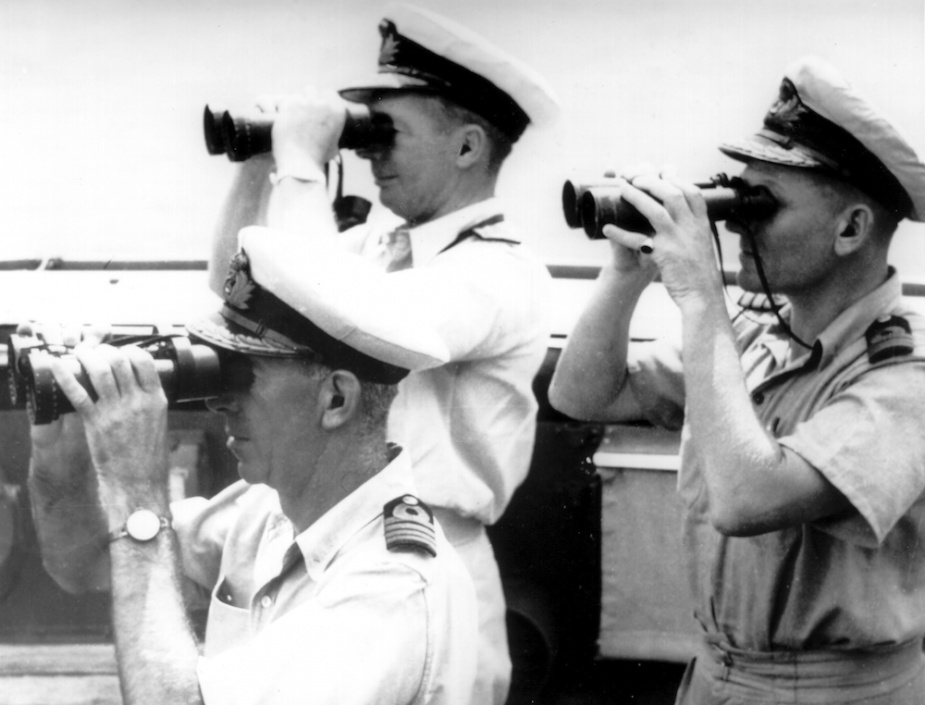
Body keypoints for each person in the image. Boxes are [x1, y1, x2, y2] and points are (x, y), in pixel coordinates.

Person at [208, 5, 560, 702]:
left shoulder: (497, 273)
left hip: (423, 563)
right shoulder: (374, 247)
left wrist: (305, 166)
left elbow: (334, 318)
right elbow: (246, 290)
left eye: (386, 133)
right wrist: (258, 166)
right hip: (329, 541)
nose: (368, 152)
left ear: (466, 147)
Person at [548, 56, 925, 704]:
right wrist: (625, 270)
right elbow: (581, 394)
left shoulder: (903, 373)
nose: (732, 222)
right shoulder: (752, 332)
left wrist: (697, 291)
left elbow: (747, 498)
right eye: (734, 194)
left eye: (759, 205)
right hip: (716, 675)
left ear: (851, 228)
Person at [26, 226, 478, 704]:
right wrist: (63, 449)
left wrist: (137, 489)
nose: (221, 401)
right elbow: (85, 563)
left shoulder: (391, 587)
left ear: (337, 398)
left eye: (242, 375)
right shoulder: (272, 510)